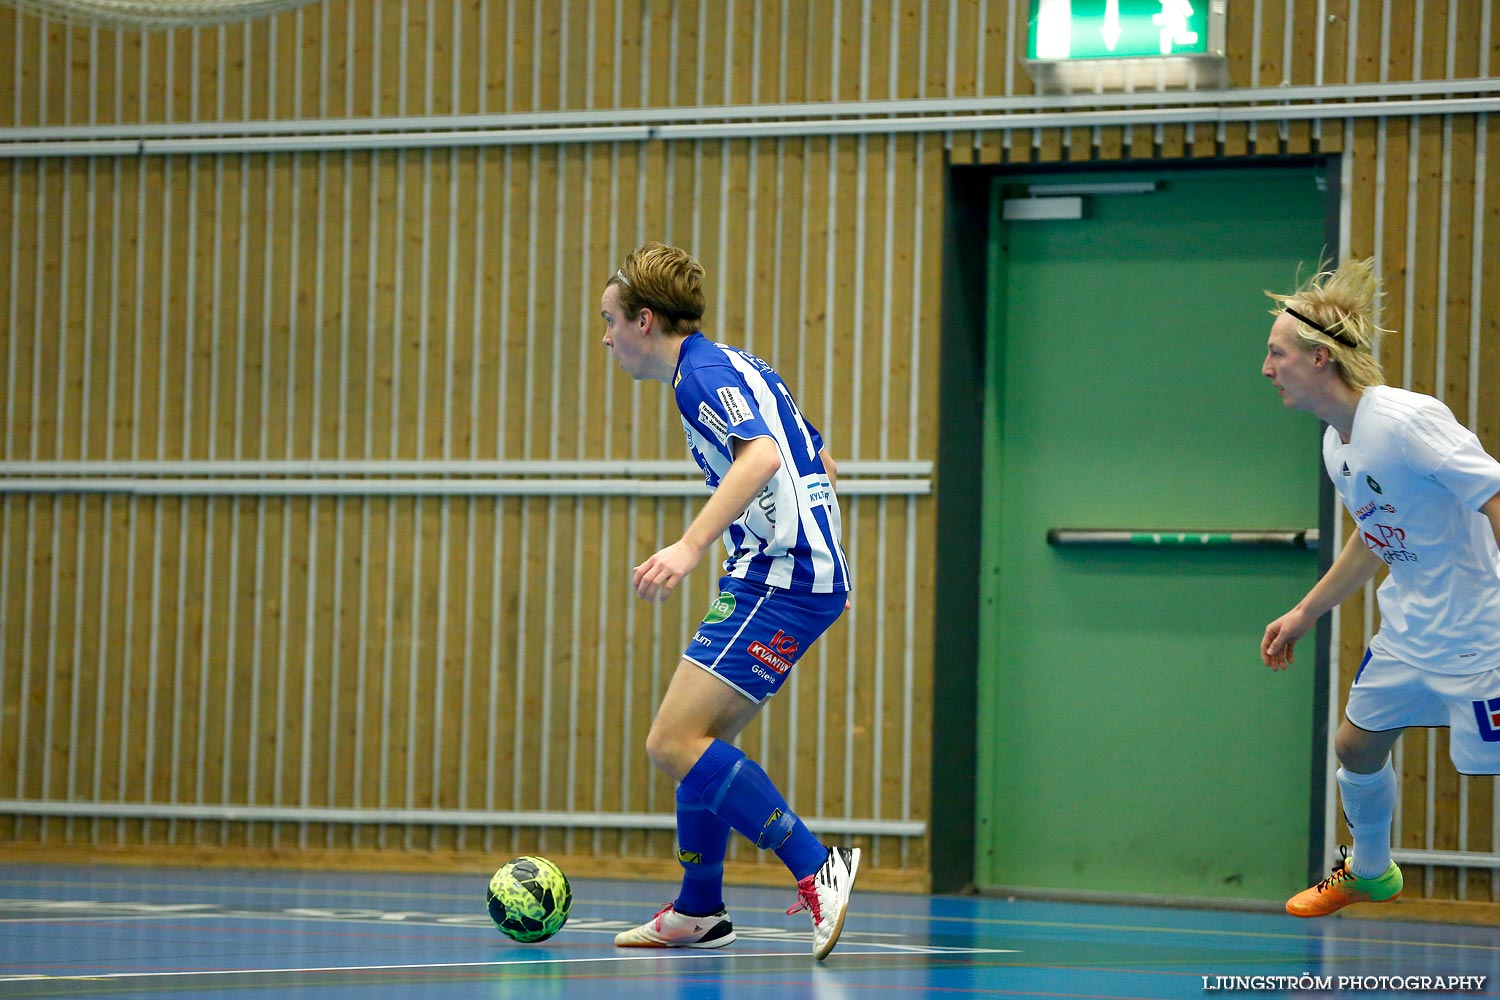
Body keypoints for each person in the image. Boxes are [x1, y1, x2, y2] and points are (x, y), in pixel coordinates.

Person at [598, 241, 858, 960]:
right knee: (697, 743)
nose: (606, 336)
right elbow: (821, 457)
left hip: (779, 578)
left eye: (610, 320)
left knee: (671, 743)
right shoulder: (739, 364)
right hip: (793, 574)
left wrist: (689, 548)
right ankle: (698, 911)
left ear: (645, 321)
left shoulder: (698, 379)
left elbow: (765, 456)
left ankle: (817, 866)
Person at [1260, 257, 1500, 917]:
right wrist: (1307, 611)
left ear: (1317, 358)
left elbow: (1494, 491)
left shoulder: (1404, 420)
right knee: (1355, 746)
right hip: (1412, 631)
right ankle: (1370, 870)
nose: (1266, 368)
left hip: (1484, 634)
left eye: (1275, 353)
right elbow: (1375, 532)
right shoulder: (1339, 443)